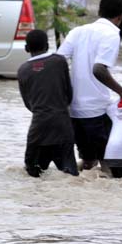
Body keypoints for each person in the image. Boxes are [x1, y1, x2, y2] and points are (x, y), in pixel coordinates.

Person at [57, 0, 122, 171]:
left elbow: (58, 62)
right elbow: (99, 69)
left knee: (88, 162)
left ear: (99, 12)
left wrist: (63, 95)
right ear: (121, 17)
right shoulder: (112, 33)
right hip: (97, 110)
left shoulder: (77, 31)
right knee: (107, 166)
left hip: (74, 110)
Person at [17, 30, 78, 178]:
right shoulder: (59, 62)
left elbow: (28, 104)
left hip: (38, 131)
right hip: (62, 126)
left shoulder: (23, 71)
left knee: (32, 176)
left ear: (26, 48)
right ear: (47, 44)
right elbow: (69, 94)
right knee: (70, 176)